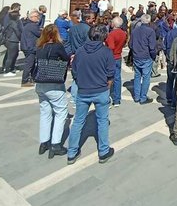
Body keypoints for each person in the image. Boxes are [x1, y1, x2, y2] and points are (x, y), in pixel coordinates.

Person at [67, 25, 115, 165]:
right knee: (102, 121)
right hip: (101, 91)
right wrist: (108, 86)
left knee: (78, 121)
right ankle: (103, 151)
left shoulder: (80, 51)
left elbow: (74, 71)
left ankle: (72, 152)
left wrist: (81, 82)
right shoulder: (106, 52)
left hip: (83, 91)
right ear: (104, 36)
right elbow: (111, 73)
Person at [34, 25, 69, 159]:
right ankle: (55, 145)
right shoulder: (57, 46)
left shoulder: (39, 47)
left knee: (45, 113)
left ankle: (44, 142)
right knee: (61, 113)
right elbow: (65, 59)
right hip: (54, 83)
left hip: (40, 83)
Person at [130, 14, 157, 104]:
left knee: (137, 76)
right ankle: (143, 97)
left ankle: (137, 96)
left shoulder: (135, 31)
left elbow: (130, 44)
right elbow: (152, 47)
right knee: (146, 77)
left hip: (137, 56)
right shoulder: (150, 31)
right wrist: (153, 56)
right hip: (146, 56)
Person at [105, 16, 127, 107]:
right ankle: (117, 99)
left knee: (109, 78)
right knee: (117, 78)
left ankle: (108, 97)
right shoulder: (123, 33)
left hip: (111, 57)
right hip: (118, 56)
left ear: (113, 24)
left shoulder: (112, 34)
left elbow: (111, 47)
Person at [20, 10, 41, 87]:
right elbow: (39, 34)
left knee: (31, 63)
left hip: (27, 46)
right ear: (32, 17)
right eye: (37, 16)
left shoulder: (28, 24)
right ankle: (24, 81)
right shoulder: (33, 25)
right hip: (30, 47)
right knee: (29, 64)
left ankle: (32, 78)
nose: (38, 18)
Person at [2, 11, 23, 76]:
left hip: (11, 40)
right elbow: (17, 31)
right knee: (11, 56)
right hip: (12, 40)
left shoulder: (10, 22)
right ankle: (7, 70)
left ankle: (11, 68)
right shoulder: (13, 23)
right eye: (18, 15)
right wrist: (21, 38)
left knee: (14, 55)